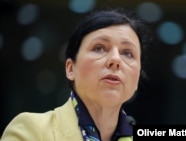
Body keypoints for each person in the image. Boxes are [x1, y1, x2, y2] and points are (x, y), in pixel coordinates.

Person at [0, 7, 152, 141]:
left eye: (128, 53)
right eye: (99, 48)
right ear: (70, 69)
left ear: (137, 76)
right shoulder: (31, 131)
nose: (115, 59)